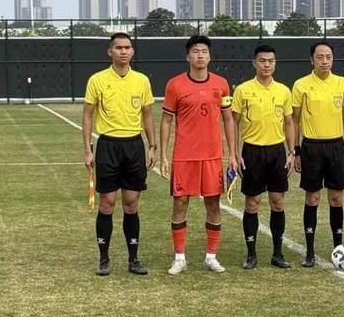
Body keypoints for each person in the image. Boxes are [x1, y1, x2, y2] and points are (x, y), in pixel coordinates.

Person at [160, 35, 239, 275]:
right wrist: (164, 155)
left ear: (209, 56)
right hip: (184, 155)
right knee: (180, 203)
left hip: (212, 156)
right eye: (196, 51)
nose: (200, 55)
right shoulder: (175, 85)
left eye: (204, 51)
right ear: (188, 56)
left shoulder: (221, 84)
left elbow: (228, 119)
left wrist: (233, 154)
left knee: (213, 204)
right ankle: (179, 258)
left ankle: (211, 257)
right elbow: (166, 120)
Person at [82, 32, 157, 276]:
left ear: (132, 51)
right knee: (107, 203)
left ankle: (133, 259)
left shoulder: (142, 81)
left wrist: (152, 146)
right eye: (119, 48)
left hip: (134, 146)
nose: (123, 51)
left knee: (131, 203)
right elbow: (88, 114)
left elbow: (147, 115)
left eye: (127, 47)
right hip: (108, 146)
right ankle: (104, 259)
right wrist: (88, 150)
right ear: (110, 51)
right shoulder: (97, 80)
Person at [232, 44, 295, 270]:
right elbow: (233, 123)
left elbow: (289, 122)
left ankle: (277, 253)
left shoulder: (283, 91)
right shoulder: (243, 90)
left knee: (278, 201)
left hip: (277, 151)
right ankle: (251, 255)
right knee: (253, 202)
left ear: (275, 63)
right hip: (252, 151)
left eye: (271, 61)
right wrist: (235, 153)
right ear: (254, 63)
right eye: (262, 61)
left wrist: (291, 152)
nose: (267, 65)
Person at [292, 41, 344, 267]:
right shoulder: (300, 85)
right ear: (312, 60)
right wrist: (296, 151)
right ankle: (309, 251)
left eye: (328, 57)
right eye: (320, 57)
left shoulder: (342, 83)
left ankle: (338, 247)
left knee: (336, 198)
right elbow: (294, 120)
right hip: (311, 147)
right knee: (313, 198)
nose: (325, 61)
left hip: (336, 147)